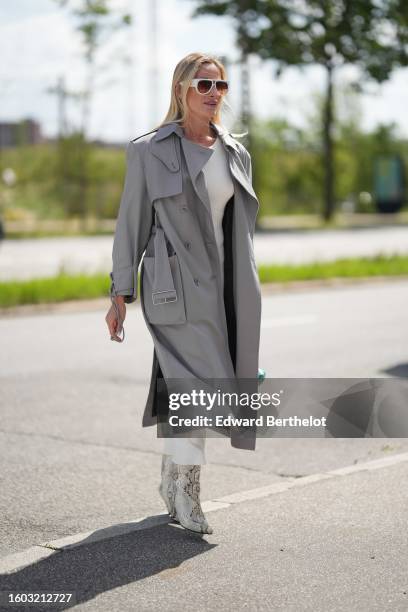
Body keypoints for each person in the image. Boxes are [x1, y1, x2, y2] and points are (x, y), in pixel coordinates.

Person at [105, 52, 262, 535]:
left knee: (187, 387)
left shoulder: (236, 152)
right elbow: (131, 223)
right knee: (199, 388)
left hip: (226, 291)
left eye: (221, 86)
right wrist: (119, 294)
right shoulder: (148, 150)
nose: (214, 94)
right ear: (180, 90)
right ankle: (188, 493)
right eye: (203, 85)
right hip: (173, 289)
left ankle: (172, 479)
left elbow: (238, 231)